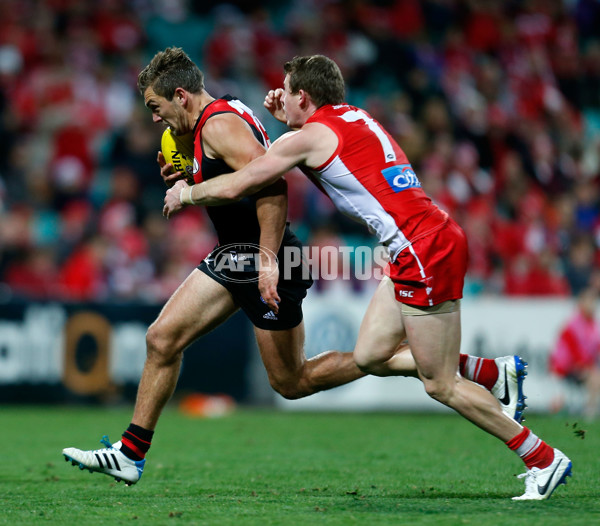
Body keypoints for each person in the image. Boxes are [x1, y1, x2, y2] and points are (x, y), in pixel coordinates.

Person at [62, 49, 526, 489]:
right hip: (236, 257)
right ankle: (131, 452)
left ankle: (470, 369)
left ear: (180, 95)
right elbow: (242, 177)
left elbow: (272, 189)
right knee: (163, 339)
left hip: (266, 257)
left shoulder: (219, 126)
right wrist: (191, 178)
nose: (154, 117)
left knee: (293, 380)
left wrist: (266, 260)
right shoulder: (214, 120)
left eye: (155, 105)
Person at [160, 54, 571, 501]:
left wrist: (188, 192)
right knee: (373, 354)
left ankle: (541, 457)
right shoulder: (353, 116)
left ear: (304, 95)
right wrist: (291, 123)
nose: (277, 94)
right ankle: (490, 371)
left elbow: (245, 181)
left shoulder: (310, 135)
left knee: (440, 384)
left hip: (420, 248)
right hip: (422, 240)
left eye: (286, 88)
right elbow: (315, 148)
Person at [550, 287, 600, 418]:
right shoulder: (573, 326)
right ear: (581, 304)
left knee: (595, 375)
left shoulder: (593, 325)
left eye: (594, 302)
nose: (592, 305)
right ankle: (590, 412)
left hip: (583, 366)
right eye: (589, 301)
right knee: (595, 378)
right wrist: (586, 366)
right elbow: (572, 352)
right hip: (568, 368)